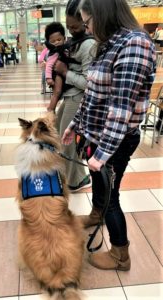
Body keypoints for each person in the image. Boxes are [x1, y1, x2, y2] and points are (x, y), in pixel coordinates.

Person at [62, 0, 156, 270]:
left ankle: (119, 253)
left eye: (88, 22)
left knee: (111, 196)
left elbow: (120, 108)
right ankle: (96, 214)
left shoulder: (134, 44)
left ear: (102, 15)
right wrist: (75, 125)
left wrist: (102, 154)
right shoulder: (110, 43)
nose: (87, 29)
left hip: (115, 139)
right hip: (96, 135)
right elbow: (93, 94)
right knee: (101, 188)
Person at [54, 0, 95, 192]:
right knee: (58, 131)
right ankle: (70, 174)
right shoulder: (76, 41)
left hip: (79, 97)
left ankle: (76, 179)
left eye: (75, 26)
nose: (71, 31)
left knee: (67, 141)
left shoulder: (89, 45)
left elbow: (89, 83)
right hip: (70, 95)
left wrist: (65, 72)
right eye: (68, 26)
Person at [44, 22, 70, 112]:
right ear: (49, 42)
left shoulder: (65, 49)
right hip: (57, 75)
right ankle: (51, 108)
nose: (57, 42)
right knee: (57, 92)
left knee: (59, 93)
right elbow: (48, 65)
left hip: (62, 73)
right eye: (53, 41)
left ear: (64, 38)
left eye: (59, 39)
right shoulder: (54, 53)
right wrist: (48, 78)